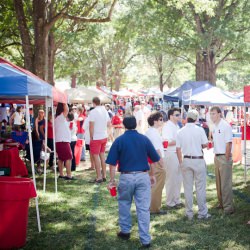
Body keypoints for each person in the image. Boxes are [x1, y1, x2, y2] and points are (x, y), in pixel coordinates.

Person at [106, 115, 160, 248]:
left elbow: (112, 164)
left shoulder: (119, 140)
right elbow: (153, 159)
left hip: (126, 176)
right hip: (142, 176)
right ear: (136, 125)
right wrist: (152, 175)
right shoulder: (144, 139)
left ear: (124, 126)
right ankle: (145, 239)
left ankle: (125, 231)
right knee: (143, 208)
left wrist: (112, 180)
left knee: (124, 203)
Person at [176, 109, 210, 220]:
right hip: (198, 159)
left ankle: (189, 213)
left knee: (187, 188)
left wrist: (181, 162)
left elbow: (178, 149)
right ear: (196, 119)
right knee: (200, 187)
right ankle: (202, 213)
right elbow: (205, 144)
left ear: (187, 119)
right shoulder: (199, 130)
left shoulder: (180, 131)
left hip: (186, 159)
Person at [210, 106, 234, 215]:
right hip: (217, 156)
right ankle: (221, 203)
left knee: (225, 183)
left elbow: (228, 143)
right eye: (211, 114)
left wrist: (227, 157)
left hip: (224, 157)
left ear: (219, 114)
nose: (211, 116)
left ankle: (228, 208)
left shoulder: (225, 126)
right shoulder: (214, 126)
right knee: (218, 182)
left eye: (213, 113)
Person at [145, 111, 166, 215]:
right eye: (160, 119)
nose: (162, 121)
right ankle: (154, 208)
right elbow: (157, 150)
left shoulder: (150, 132)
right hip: (156, 162)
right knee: (157, 185)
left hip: (151, 162)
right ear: (155, 121)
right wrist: (162, 163)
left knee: (153, 185)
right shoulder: (153, 133)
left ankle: (151, 207)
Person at [162, 108, 183, 209]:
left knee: (178, 178)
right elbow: (166, 142)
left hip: (177, 153)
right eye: (177, 115)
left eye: (179, 114)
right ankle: (170, 202)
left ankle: (177, 200)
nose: (179, 116)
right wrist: (180, 140)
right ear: (171, 116)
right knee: (171, 179)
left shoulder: (176, 125)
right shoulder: (167, 126)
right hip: (170, 154)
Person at [89, 97, 111, 183]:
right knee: (102, 155)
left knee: (96, 156)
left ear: (93, 103)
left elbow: (91, 126)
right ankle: (104, 175)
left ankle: (99, 177)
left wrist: (91, 137)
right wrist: (108, 134)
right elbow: (109, 123)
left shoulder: (93, 112)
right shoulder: (104, 110)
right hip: (103, 136)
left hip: (96, 137)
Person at [55, 103, 75, 180]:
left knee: (60, 158)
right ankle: (69, 175)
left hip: (59, 141)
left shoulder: (57, 118)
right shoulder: (61, 117)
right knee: (68, 158)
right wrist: (64, 101)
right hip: (63, 141)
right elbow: (66, 109)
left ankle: (61, 174)